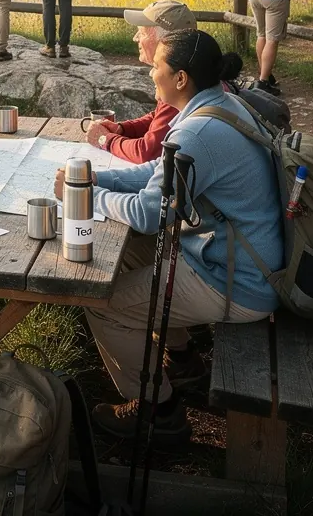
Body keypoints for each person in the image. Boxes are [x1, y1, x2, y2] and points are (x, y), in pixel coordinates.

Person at [56, 30, 283, 443]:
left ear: (180, 78)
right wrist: (95, 177)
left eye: (157, 66)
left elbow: (147, 214)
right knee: (127, 255)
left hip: (240, 282)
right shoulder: (217, 105)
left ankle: (158, 411)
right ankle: (182, 360)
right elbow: (155, 175)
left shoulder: (196, 133)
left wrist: (85, 196)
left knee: (103, 303)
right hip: (240, 257)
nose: (150, 73)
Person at [84, 0, 195, 163]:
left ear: (165, 41)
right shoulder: (188, 68)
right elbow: (158, 117)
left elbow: (147, 152)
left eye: (142, 33)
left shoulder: (180, 82)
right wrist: (122, 129)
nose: (135, 38)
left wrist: (105, 140)